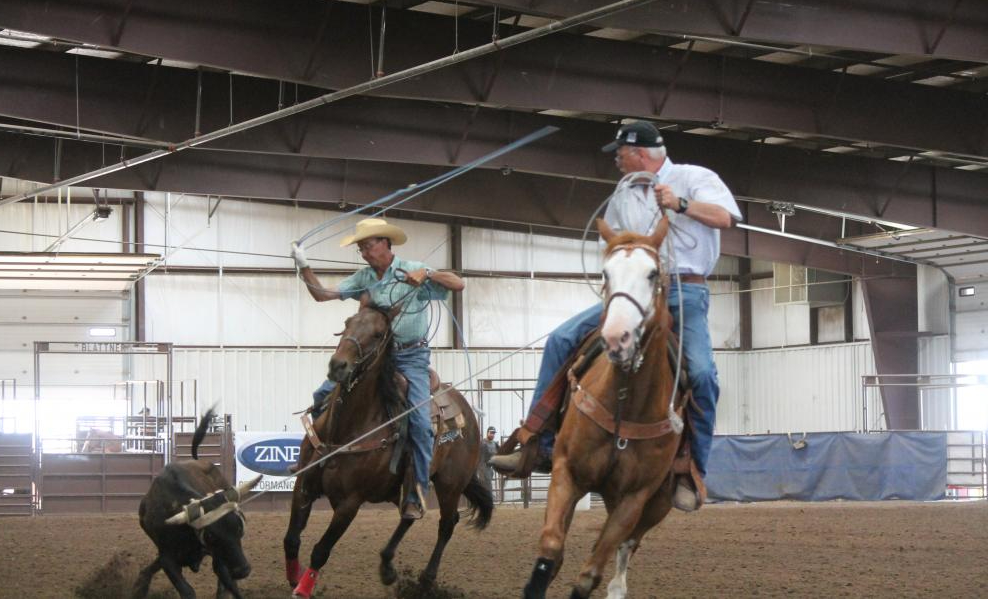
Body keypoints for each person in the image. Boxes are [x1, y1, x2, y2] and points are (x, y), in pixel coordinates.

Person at [490, 121, 741, 512]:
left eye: (619, 153)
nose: (616, 160)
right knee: (561, 339)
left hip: (684, 291)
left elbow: (725, 218)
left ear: (639, 152)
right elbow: (615, 245)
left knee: (704, 374)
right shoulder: (622, 196)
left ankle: (690, 470)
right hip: (634, 290)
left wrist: (681, 204)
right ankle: (534, 444)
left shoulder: (694, 177)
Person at [290, 217, 465, 521]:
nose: (365, 252)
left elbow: (458, 284)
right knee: (323, 394)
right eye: (361, 248)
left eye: (368, 245)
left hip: (411, 357)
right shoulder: (364, 278)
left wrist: (429, 273)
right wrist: (303, 266)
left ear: (386, 244)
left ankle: (415, 492)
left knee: (422, 425)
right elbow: (322, 295)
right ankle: (311, 459)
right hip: (374, 355)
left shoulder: (413, 268)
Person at [479, 426, 500, 493]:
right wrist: (482, 472)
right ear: (487, 433)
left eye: (493, 433)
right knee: (487, 488)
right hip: (484, 467)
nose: (492, 434)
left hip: (490, 469)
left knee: (485, 488)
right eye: (491, 433)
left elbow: (500, 453)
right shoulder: (483, 443)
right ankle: (489, 501)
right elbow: (481, 459)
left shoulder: (495, 444)